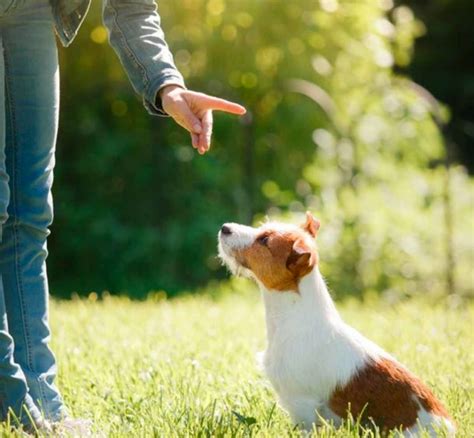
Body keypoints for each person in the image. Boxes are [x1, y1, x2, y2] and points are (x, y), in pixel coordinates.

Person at [0, 0, 245, 432]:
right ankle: (10, 398)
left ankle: (41, 401)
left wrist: (168, 85)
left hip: (29, 13)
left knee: (29, 213)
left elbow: (131, 5)